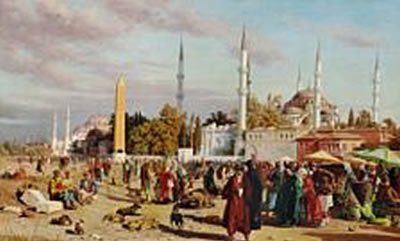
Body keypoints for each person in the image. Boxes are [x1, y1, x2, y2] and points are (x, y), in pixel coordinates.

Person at [222, 166, 250, 241]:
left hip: (242, 202)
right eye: (238, 171)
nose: (239, 173)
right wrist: (233, 193)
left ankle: (246, 234)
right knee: (231, 218)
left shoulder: (245, 179)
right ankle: (231, 234)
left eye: (241, 172)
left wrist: (244, 192)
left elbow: (249, 189)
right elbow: (226, 190)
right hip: (233, 201)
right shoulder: (232, 179)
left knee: (243, 218)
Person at [244, 156, 263, 230]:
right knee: (254, 210)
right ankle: (254, 224)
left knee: (252, 210)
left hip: (252, 195)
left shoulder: (250, 173)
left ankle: (253, 224)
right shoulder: (253, 173)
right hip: (254, 194)